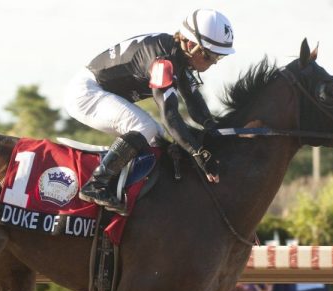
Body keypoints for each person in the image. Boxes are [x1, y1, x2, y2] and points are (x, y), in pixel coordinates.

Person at [64, 9, 235, 214]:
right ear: (190, 44)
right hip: (86, 92)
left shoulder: (179, 55)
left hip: (97, 89)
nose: (213, 63)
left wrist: (214, 128)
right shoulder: (163, 62)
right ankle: (96, 184)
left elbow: (194, 103)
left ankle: (135, 194)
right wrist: (198, 153)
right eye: (209, 56)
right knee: (144, 127)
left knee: (156, 136)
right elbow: (170, 117)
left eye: (218, 57)